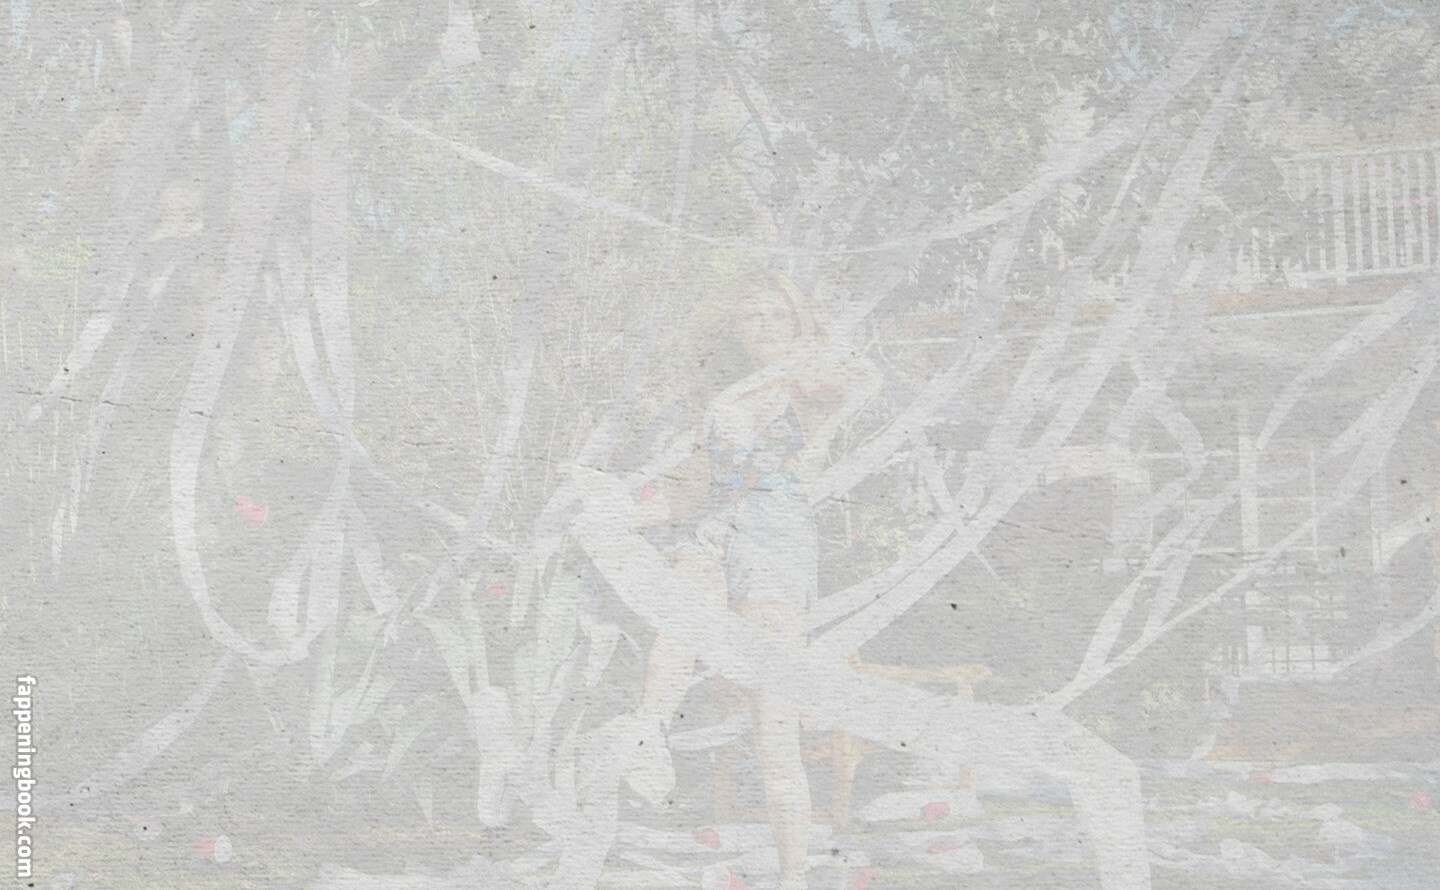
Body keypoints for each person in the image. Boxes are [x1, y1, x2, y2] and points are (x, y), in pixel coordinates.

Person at [630, 269, 881, 889]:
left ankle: (794, 877)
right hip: (715, 530)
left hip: (775, 541)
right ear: (735, 328)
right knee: (680, 612)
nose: (764, 326)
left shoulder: (807, 380)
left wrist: (813, 360)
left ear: (796, 322)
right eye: (752, 316)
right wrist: (619, 514)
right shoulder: (723, 400)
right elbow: (692, 492)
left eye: (777, 314)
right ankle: (647, 739)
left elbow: (858, 381)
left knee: (775, 728)